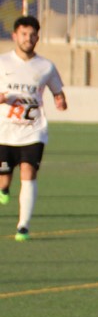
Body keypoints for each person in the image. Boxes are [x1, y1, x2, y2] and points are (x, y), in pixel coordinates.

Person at [0, 14, 67, 241]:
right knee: (4, 179)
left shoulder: (46, 66)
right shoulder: (2, 62)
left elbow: (58, 91)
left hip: (33, 131)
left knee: (29, 171)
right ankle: (4, 188)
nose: (28, 38)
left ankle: (23, 226)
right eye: (24, 34)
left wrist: (60, 100)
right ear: (15, 36)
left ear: (38, 37)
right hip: (4, 132)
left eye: (32, 35)